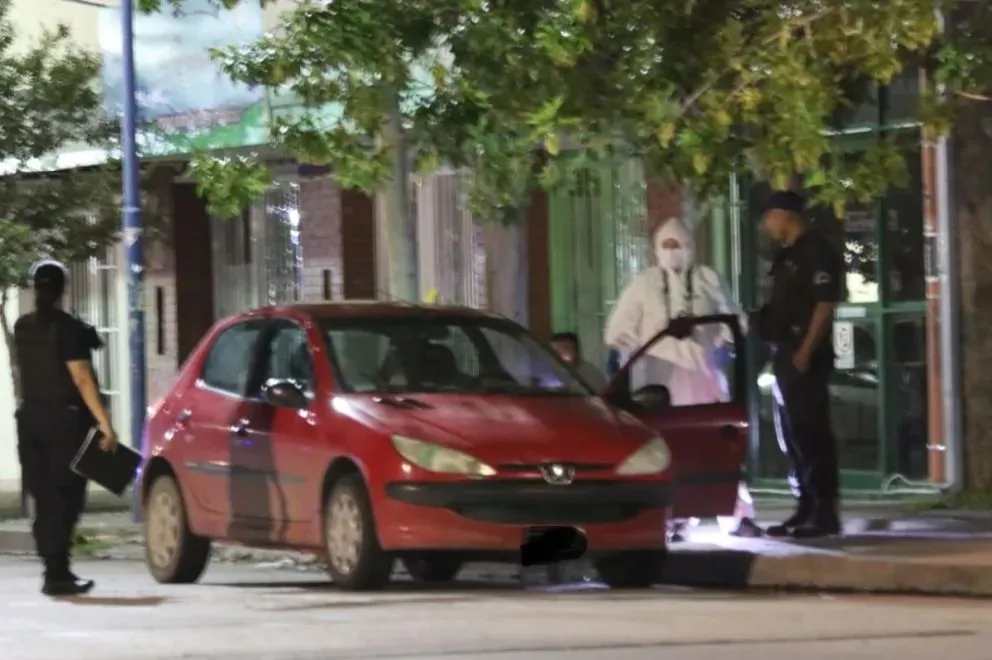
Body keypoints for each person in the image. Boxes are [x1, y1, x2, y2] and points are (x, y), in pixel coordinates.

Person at [604, 217, 760, 539]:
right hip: (660, 383)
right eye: (667, 245)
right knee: (669, 451)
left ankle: (736, 514)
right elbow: (618, 330)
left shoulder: (707, 278)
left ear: (690, 247)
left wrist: (717, 340)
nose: (673, 252)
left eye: (678, 245)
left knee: (718, 449)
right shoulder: (644, 283)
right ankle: (675, 518)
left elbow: (732, 319)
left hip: (703, 375)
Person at [14, 260, 118, 596]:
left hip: (31, 422)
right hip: (65, 423)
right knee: (66, 497)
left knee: (44, 497)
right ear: (62, 289)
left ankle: (54, 570)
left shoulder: (22, 326)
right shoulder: (69, 329)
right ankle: (58, 572)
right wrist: (106, 425)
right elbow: (83, 379)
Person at [757, 191, 843, 538]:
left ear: (785, 215)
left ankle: (824, 512)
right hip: (785, 353)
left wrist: (806, 350)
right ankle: (805, 506)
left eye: (769, 218)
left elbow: (824, 305)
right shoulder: (787, 255)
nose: (767, 226)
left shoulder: (815, 250)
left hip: (804, 356)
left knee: (811, 434)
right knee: (791, 435)